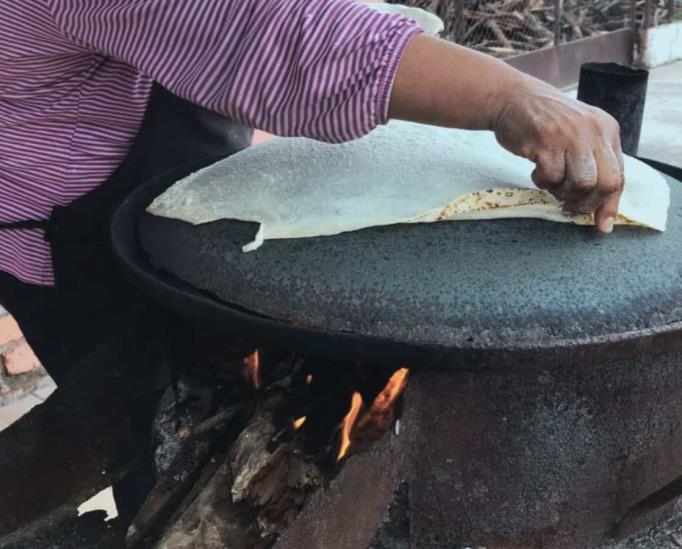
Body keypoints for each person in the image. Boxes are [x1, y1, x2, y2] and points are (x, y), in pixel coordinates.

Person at [0, 0, 623, 524]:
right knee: (173, 442)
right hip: (84, 247)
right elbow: (272, 37)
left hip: (161, 198)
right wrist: (512, 96)